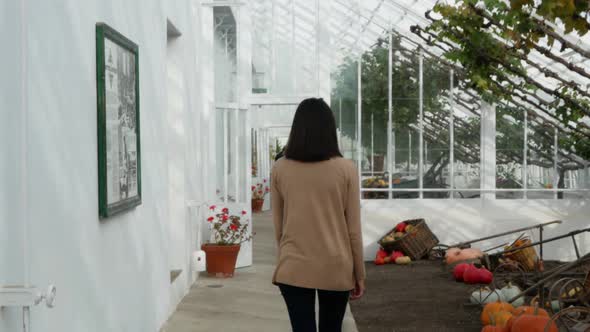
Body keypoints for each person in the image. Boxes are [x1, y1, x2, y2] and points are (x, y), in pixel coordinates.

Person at [271, 98, 365, 332]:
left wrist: (286, 255)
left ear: (297, 128)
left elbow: (278, 226)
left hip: (293, 266)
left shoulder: (280, 168)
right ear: (329, 129)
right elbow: (353, 229)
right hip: (336, 266)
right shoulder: (346, 169)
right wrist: (359, 274)